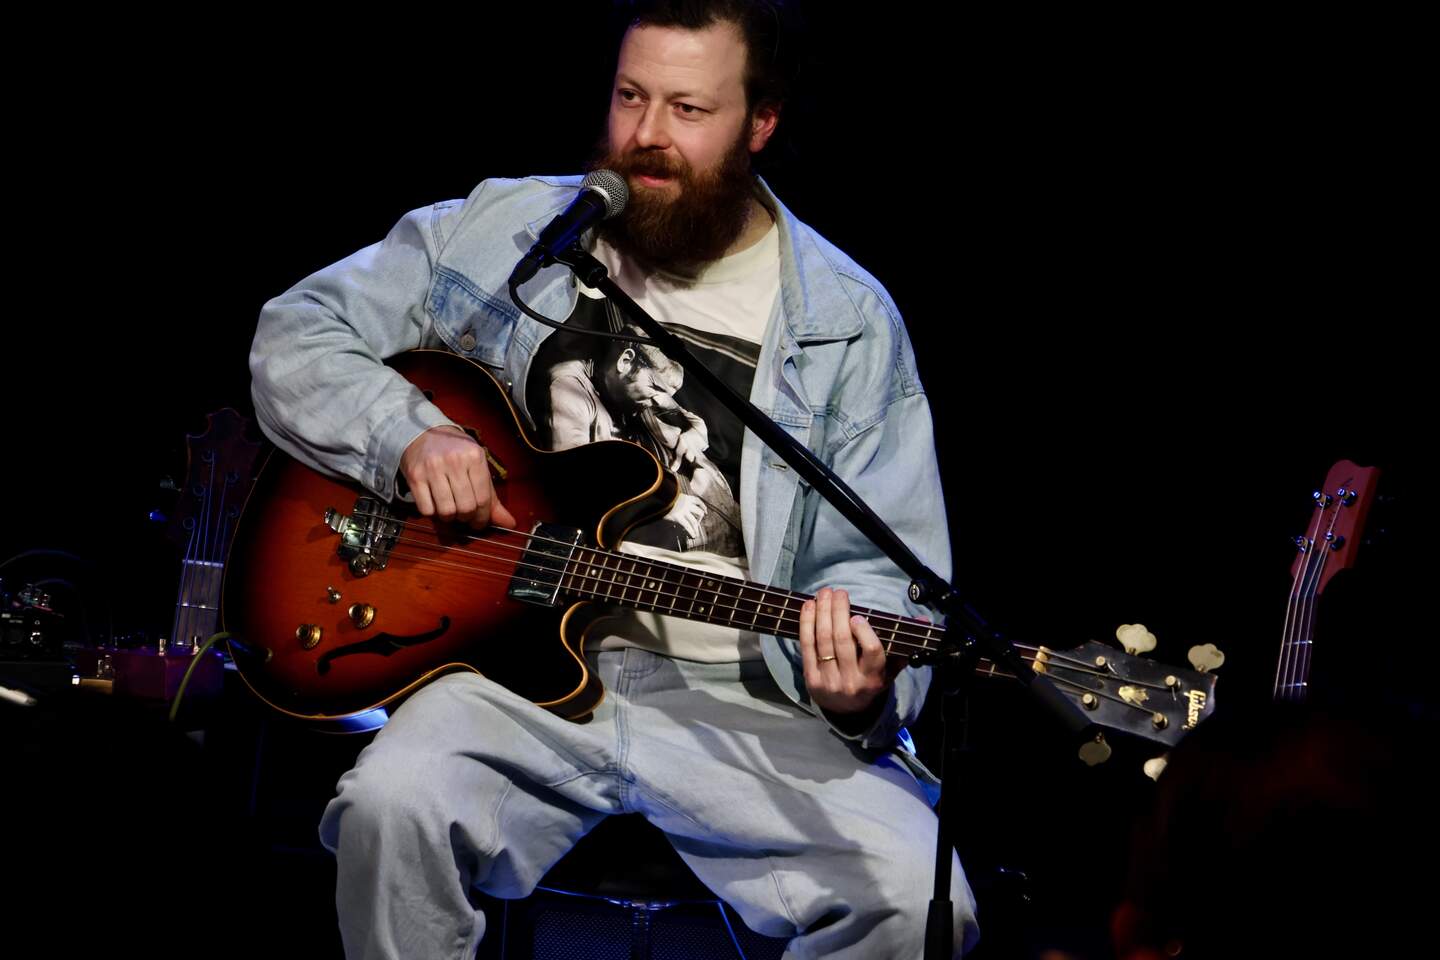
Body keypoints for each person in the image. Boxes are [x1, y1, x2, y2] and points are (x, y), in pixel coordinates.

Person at [249, 2, 977, 956]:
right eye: (632, 97)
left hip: (744, 696)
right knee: (390, 808)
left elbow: (884, 572)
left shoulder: (847, 319)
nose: (647, 135)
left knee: (922, 905)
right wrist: (409, 437)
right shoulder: (505, 230)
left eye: (689, 109)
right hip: (511, 672)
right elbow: (297, 331)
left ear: (760, 124)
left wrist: (861, 693)